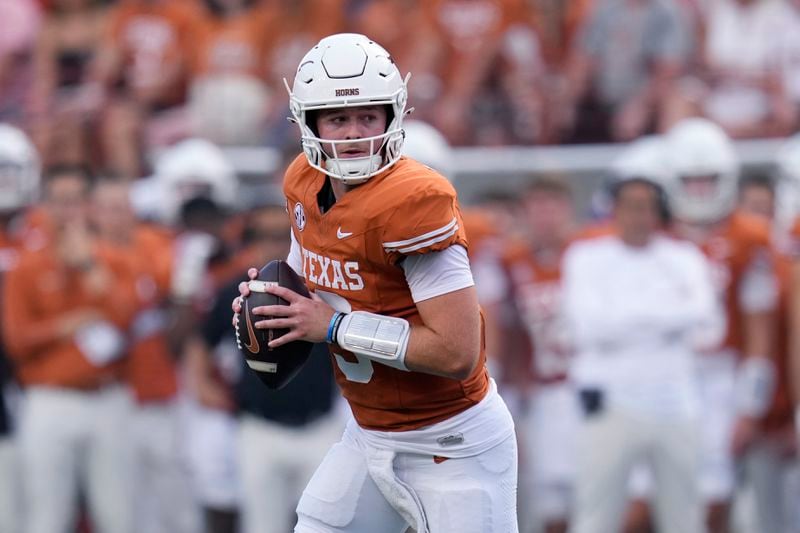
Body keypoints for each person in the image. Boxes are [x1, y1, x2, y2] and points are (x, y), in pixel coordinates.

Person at [232, 33, 518, 533]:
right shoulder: (302, 180)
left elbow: (457, 352)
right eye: (338, 119)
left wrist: (334, 327)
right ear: (309, 122)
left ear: (394, 116)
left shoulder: (415, 200)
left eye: (368, 116)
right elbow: (312, 278)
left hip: (453, 442)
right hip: (369, 433)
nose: (355, 133)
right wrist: (276, 303)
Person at [563, 164, 722, 533]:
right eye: (630, 205)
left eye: (647, 206)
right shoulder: (586, 258)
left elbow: (705, 322)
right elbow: (590, 327)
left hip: (676, 402)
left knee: (684, 517)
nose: (639, 215)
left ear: (659, 212)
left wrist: (626, 319)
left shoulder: (685, 258)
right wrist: (667, 320)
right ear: (614, 209)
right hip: (610, 402)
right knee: (594, 515)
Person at [2, 164, 138, 533]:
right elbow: (16, 342)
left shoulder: (113, 258)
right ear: (44, 206)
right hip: (49, 400)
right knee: (47, 516)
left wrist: (89, 265)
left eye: (76, 201)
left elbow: (128, 320)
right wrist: (63, 325)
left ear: (90, 206)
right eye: (60, 202)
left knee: (118, 515)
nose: (69, 212)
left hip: (108, 398)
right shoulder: (26, 266)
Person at [663, 118, 779, 533]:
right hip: (662, 371)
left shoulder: (749, 236)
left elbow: (759, 327)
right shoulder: (653, 232)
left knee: (716, 495)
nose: (699, 191)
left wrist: (750, 401)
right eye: (690, 181)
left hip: (719, 375)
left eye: (708, 180)